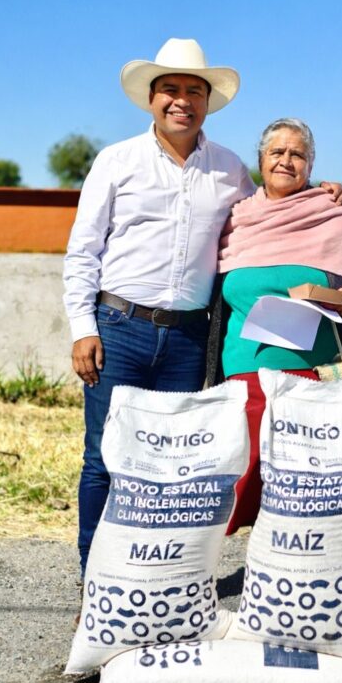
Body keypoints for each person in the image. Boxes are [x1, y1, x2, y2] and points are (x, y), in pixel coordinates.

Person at [63, 38, 256, 576]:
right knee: (105, 458)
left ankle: (156, 582)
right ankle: (97, 584)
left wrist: (323, 196)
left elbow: (265, 219)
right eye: (170, 89)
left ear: (207, 102)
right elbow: (83, 250)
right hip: (118, 327)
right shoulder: (116, 161)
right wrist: (82, 327)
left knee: (172, 463)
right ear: (151, 99)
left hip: (190, 340)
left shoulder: (230, 169)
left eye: (194, 90)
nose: (182, 100)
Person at [206, 117, 342, 533]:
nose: (286, 161)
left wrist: (336, 299)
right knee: (246, 476)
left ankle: (300, 560)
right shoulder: (236, 220)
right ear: (261, 159)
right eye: (277, 152)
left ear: (311, 164)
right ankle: (248, 558)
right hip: (245, 374)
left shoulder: (334, 216)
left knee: (306, 483)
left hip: (316, 377)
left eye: (298, 154)